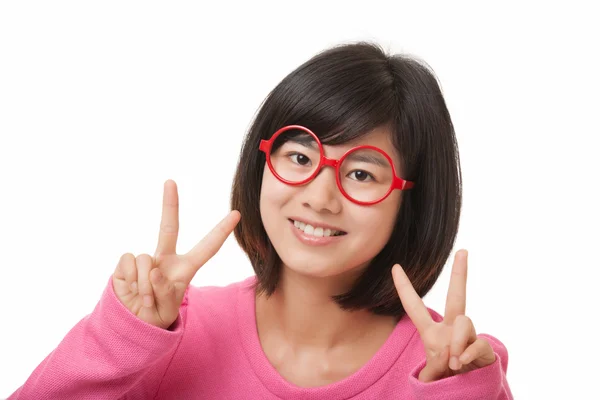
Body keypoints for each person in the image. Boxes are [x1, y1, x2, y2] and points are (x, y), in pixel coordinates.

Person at [9, 42, 513, 399]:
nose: (319, 197)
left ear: (412, 200)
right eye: (299, 157)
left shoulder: (449, 365)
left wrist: (454, 394)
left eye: (360, 173)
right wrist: (118, 340)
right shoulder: (168, 332)